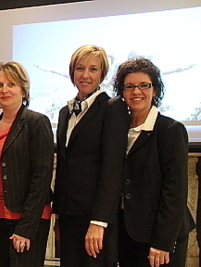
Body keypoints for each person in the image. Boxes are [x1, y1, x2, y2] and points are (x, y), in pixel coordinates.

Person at [113, 57, 195, 267]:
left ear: (155, 90)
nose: (136, 92)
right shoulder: (118, 130)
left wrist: (162, 242)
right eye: (129, 86)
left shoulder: (170, 130)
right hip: (127, 231)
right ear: (121, 92)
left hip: (160, 236)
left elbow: (175, 191)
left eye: (144, 85)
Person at [52, 44, 128, 267]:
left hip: (95, 217)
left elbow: (112, 170)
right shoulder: (65, 112)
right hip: (69, 216)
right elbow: (65, 167)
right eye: (80, 68)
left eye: (93, 69)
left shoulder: (112, 108)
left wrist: (99, 221)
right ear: (72, 72)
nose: (85, 75)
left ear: (102, 74)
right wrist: (59, 216)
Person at [0, 61, 54, 267]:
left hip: (27, 219)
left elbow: (42, 177)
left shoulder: (36, 122)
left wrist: (25, 227)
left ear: (24, 90)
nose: (5, 90)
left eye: (12, 84)